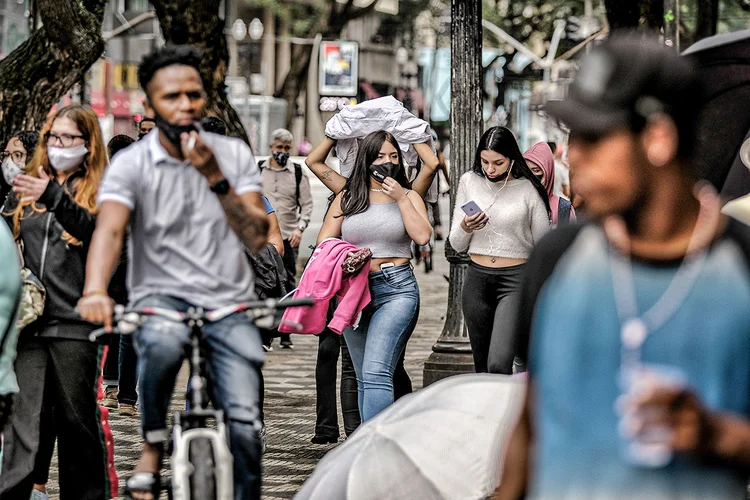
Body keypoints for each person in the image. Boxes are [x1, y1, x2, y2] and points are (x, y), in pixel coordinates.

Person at [495, 34, 750, 500]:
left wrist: (715, 435)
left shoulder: (743, 266)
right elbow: (532, 422)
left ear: (658, 137)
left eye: (594, 136)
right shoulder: (556, 257)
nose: (574, 156)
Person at [77, 45, 269, 500]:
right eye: (172, 97)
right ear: (149, 104)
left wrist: (215, 177)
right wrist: (95, 290)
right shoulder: (132, 163)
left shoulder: (233, 154)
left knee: (245, 425)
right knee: (160, 343)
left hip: (230, 302)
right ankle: (152, 445)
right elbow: (109, 231)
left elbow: (258, 235)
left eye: (194, 95)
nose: (185, 105)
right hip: (159, 297)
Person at [0, 105, 116, 500]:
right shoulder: (28, 187)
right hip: (28, 324)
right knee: (22, 421)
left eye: (69, 139)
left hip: (75, 324)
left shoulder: (101, 190)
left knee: (76, 423)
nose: (59, 146)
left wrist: (55, 197)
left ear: (88, 144)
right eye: (54, 138)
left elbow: (98, 235)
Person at [315, 130, 432, 421]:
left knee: (376, 370)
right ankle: (370, 446)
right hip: (354, 290)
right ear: (366, 159)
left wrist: (401, 197)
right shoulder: (348, 197)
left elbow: (422, 236)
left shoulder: (409, 195)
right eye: (379, 156)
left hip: (397, 289)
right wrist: (346, 256)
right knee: (363, 375)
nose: (387, 162)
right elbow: (323, 242)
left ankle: (375, 449)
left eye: (393, 156)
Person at [449, 126, 550, 375]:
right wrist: (465, 225)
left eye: (498, 162)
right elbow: (457, 244)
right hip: (477, 280)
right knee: (482, 368)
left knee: (498, 363)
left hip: (516, 281)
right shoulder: (468, 181)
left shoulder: (528, 189)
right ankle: (491, 414)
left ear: (512, 159)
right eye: (484, 161)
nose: (490, 169)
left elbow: (543, 243)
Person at [260, 128, 314, 349]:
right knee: (264, 283)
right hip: (262, 241)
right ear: (271, 147)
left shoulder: (298, 172)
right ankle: (266, 331)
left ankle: (285, 332)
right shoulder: (258, 170)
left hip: (288, 237)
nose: (282, 152)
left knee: (288, 283)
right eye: (278, 147)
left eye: (286, 148)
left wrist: (300, 229)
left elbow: (307, 205)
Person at [524, 142, 576, 227]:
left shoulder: (563, 209)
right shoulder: (513, 204)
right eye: (526, 170)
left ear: (548, 172)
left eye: (536, 170)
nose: (530, 176)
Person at [1, 131, 40, 206]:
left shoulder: (43, 202)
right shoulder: (4, 194)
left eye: (17, 155)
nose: (9, 162)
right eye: (6, 155)